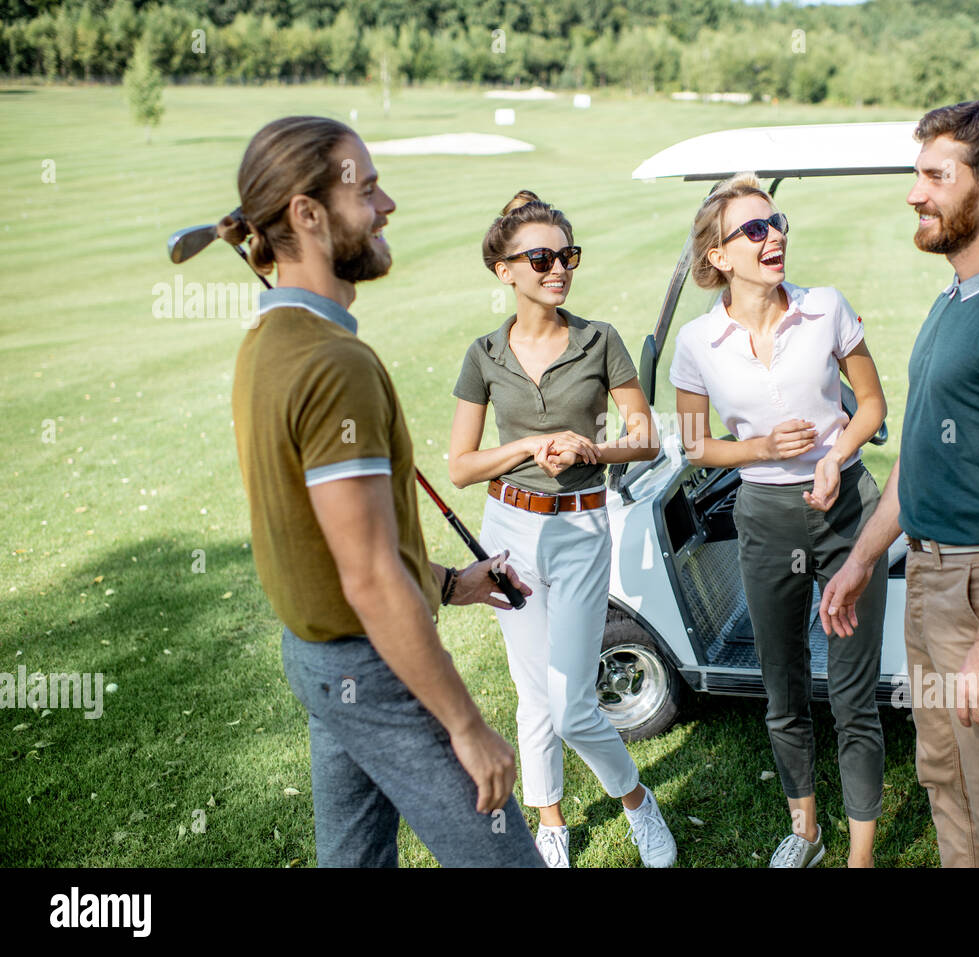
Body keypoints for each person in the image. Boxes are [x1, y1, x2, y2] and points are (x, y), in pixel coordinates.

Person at [225, 116, 543, 867]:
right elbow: (367, 577)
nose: (386, 204)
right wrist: (467, 725)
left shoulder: (265, 345)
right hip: (371, 669)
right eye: (365, 189)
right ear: (307, 214)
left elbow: (327, 546)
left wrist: (448, 582)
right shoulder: (334, 364)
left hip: (319, 660)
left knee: (354, 859)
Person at [820, 100, 979, 868]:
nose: (915, 193)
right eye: (917, 173)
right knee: (947, 781)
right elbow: (920, 458)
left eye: (936, 175)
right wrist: (865, 557)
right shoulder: (954, 298)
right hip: (931, 577)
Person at [447, 190, 676, 868]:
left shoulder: (598, 339)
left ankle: (637, 800)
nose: (559, 268)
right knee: (532, 696)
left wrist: (590, 449)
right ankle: (551, 821)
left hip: (580, 530)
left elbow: (646, 437)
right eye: (542, 257)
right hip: (508, 531)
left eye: (567, 255)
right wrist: (526, 447)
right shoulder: (483, 353)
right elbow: (460, 466)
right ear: (505, 271)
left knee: (572, 702)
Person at [669, 172, 890, 868]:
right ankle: (805, 830)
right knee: (783, 685)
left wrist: (838, 452)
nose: (776, 236)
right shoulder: (697, 343)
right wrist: (760, 449)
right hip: (763, 515)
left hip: (847, 510)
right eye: (756, 229)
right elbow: (696, 444)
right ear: (718, 257)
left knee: (854, 694)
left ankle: (859, 857)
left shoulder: (826, 309)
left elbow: (875, 405)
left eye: (778, 222)